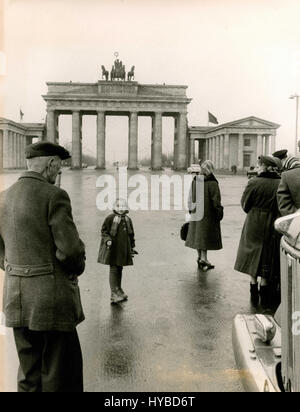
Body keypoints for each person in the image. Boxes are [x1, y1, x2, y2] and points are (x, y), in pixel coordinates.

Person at [0, 142, 86, 392]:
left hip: (16, 298)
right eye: (58, 169)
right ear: (51, 165)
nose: (58, 174)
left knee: (29, 373)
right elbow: (70, 250)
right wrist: (76, 266)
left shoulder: (3, 196)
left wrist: (17, 269)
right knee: (59, 374)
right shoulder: (54, 195)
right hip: (51, 301)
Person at [234, 155, 281, 308]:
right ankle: (265, 288)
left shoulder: (253, 182)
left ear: (265, 167)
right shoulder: (279, 183)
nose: (258, 167)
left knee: (252, 253)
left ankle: (253, 286)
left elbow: (245, 204)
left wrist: (253, 211)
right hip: (271, 223)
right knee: (267, 255)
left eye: (260, 165)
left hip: (254, 222)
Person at [185, 160, 223, 271]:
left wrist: (191, 209)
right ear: (211, 170)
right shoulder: (213, 183)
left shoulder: (196, 180)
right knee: (205, 237)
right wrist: (219, 213)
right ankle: (204, 259)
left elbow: (190, 197)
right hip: (208, 215)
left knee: (198, 236)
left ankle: (199, 257)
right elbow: (216, 201)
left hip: (196, 212)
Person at [97, 198, 137, 303]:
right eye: (118, 206)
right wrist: (108, 240)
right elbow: (104, 231)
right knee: (114, 269)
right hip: (113, 249)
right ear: (114, 207)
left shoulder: (128, 220)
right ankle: (113, 293)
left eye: (123, 206)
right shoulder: (110, 218)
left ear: (126, 208)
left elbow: (131, 234)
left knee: (120, 269)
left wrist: (132, 246)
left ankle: (119, 290)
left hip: (122, 250)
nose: (121, 209)